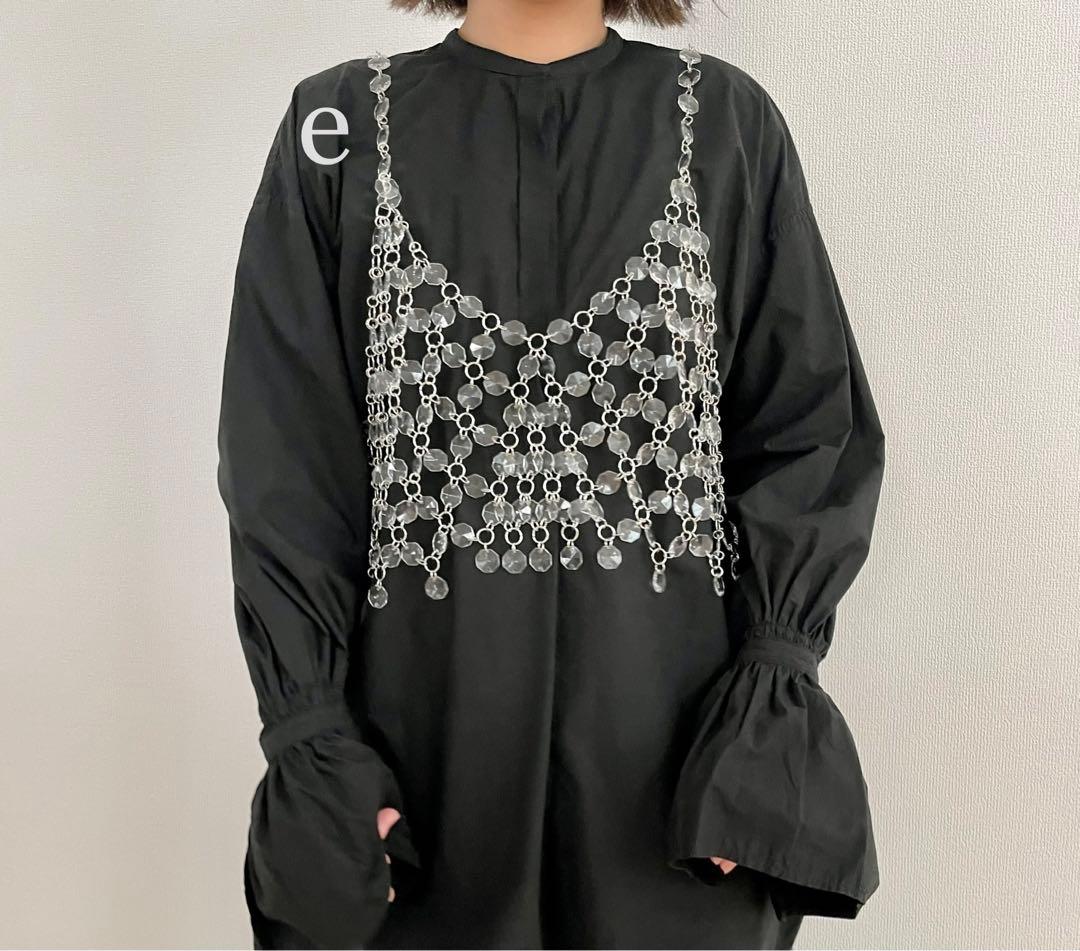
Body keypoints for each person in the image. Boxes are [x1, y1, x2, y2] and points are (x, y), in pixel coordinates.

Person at [216, 0, 887, 947]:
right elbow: (285, 464)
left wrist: (764, 715)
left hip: (680, 798)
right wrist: (312, 732)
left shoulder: (727, 123)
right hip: (415, 790)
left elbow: (809, 430)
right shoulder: (335, 132)